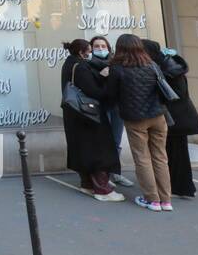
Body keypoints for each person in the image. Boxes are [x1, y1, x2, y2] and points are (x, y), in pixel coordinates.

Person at [100, 33, 173, 212]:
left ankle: (152, 199)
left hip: (135, 119)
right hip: (158, 116)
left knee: (142, 159)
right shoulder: (152, 65)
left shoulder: (117, 68)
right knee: (160, 157)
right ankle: (166, 200)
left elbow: (110, 95)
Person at [60, 39, 124, 201]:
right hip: (89, 115)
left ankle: (87, 184)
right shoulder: (81, 67)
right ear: (81, 52)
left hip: (75, 114)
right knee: (100, 150)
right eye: (89, 50)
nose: (91, 53)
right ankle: (103, 190)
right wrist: (105, 79)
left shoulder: (70, 63)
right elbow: (95, 91)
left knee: (83, 150)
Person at [144, 38, 198, 199]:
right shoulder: (172, 67)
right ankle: (182, 186)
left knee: (174, 154)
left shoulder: (165, 71)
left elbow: (172, 96)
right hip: (178, 118)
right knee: (177, 154)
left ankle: (179, 187)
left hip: (173, 119)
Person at [88, 35, 133, 190]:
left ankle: (116, 172)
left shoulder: (117, 64)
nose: (100, 49)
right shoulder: (88, 65)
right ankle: (103, 175)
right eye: (96, 46)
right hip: (100, 107)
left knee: (116, 140)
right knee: (102, 141)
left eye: (103, 46)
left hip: (116, 107)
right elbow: (90, 88)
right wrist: (101, 77)